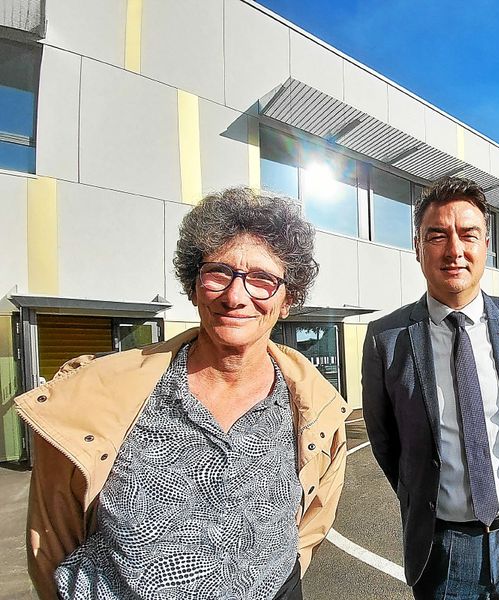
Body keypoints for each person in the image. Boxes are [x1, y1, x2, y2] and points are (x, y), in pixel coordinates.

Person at [16, 188, 347, 600]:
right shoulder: (101, 394)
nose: (235, 296)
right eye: (218, 273)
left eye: (262, 279)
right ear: (193, 287)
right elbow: (51, 543)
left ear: (287, 300)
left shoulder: (317, 405)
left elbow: (310, 526)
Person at [362, 177, 499, 598]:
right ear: (418, 247)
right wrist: (424, 497)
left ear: (486, 245)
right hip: (443, 553)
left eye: (468, 235)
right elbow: (385, 442)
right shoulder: (386, 339)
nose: (454, 250)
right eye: (437, 236)